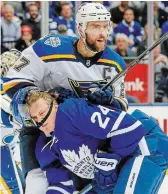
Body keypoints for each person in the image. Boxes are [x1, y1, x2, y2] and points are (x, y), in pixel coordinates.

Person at [2, 2, 128, 193]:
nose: (102, 33)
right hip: (41, 131)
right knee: (37, 185)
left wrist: (109, 101)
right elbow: (13, 80)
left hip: (84, 137)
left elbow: (122, 107)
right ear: (80, 28)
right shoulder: (50, 47)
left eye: (105, 26)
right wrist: (49, 98)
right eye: (95, 27)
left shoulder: (115, 64)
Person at [26, 89, 168, 193]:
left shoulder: (69, 111)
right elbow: (61, 182)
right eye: (35, 118)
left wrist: (108, 161)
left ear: (55, 107)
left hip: (145, 146)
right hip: (128, 165)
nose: (40, 121)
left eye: (42, 113)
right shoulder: (52, 145)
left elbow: (131, 127)